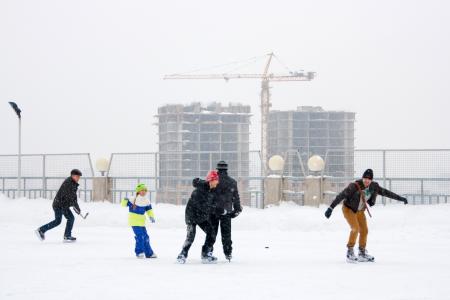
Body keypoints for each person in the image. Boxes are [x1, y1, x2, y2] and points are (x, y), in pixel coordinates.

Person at [324, 169, 408, 263]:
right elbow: (341, 196)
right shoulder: (354, 186)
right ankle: (350, 251)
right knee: (355, 228)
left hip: (360, 211)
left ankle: (362, 252)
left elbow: (387, 193)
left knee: (364, 230)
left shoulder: (374, 187)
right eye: (365, 178)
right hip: (349, 209)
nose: (366, 180)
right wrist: (331, 208)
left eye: (369, 179)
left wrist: (401, 198)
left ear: (371, 180)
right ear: (362, 178)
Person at [177, 170, 219, 264]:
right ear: (211, 180)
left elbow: (212, 204)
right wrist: (212, 209)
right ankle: (182, 255)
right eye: (216, 180)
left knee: (211, 233)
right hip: (192, 216)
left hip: (201, 216)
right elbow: (201, 205)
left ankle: (205, 254)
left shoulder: (211, 190)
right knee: (191, 236)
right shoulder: (201, 189)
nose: (217, 182)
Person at [35, 169, 84, 242]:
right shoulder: (68, 183)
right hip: (59, 205)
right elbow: (70, 197)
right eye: (77, 177)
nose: (79, 178)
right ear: (73, 176)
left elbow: (73, 197)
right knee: (59, 221)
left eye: (79, 177)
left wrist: (76, 207)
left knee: (70, 218)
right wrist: (75, 206)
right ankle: (41, 230)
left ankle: (67, 235)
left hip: (63, 205)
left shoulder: (72, 183)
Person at [211, 161, 242, 262]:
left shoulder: (213, 181)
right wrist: (236, 211)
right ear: (226, 169)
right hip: (226, 212)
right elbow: (236, 198)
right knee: (226, 235)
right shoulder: (232, 182)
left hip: (213, 211)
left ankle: (208, 252)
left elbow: (208, 196)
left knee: (211, 234)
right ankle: (228, 253)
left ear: (218, 169)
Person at [121, 183, 157, 259]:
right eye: (142, 190)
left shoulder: (146, 200)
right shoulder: (133, 199)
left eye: (145, 190)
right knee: (140, 236)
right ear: (138, 191)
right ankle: (139, 252)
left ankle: (149, 253)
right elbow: (123, 205)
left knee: (146, 237)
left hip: (141, 222)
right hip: (134, 222)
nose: (143, 192)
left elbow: (149, 210)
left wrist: (151, 216)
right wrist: (125, 200)